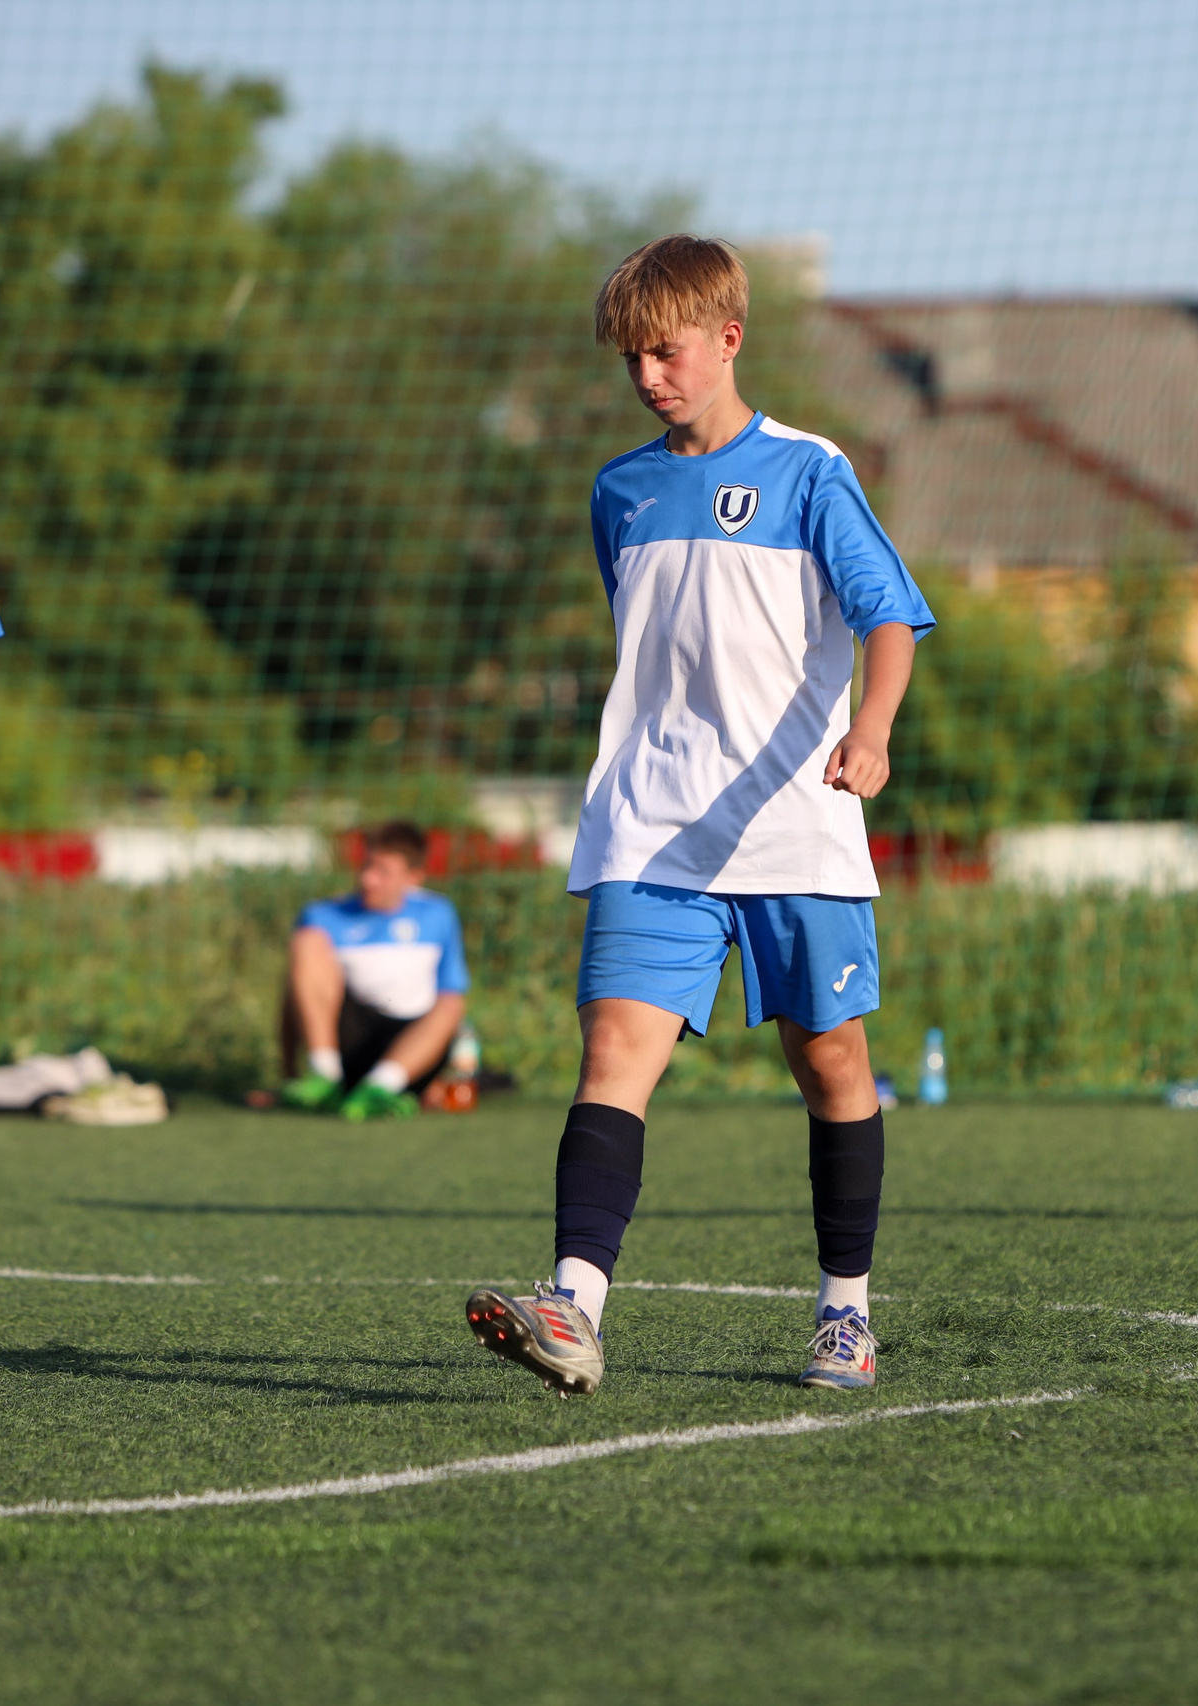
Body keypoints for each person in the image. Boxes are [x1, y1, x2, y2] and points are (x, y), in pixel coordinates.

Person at [464, 235, 934, 1396]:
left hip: (796, 823)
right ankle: (573, 1304)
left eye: (664, 351)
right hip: (650, 823)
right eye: (631, 358)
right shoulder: (617, 489)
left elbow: (888, 617)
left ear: (729, 337)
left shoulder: (812, 471)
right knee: (615, 1051)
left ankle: (844, 1313)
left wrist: (870, 728)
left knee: (832, 1064)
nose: (647, 377)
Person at [278, 820, 470, 1121]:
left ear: (414, 877)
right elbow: (294, 999)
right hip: (349, 1043)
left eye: (383, 872)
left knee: (452, 1002)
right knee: (307, 940)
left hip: (409, 1053)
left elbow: (453, 1003)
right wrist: (287, 1075)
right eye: (366, 866)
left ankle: (382, 1088)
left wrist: (451, 1073)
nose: (368, 879)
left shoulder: (438, 913)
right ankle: (324, 1075)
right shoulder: (322, 915)